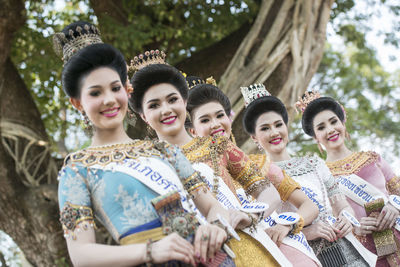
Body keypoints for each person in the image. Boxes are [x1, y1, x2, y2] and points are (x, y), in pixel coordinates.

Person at [55, 22, 234, 266]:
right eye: (95, 93)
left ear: (127, 90)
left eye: (115, 88)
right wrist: (150, 251)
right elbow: (81, 254)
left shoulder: (165, 151)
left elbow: (213, 207)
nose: (109, 100)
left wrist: (215, 226)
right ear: (77, 103)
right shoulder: (77, 169)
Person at [129, 52, 294, 267]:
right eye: (154, 105)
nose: (166, 110)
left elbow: (268, 192)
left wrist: (250, 216)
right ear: (143, 116)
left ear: (184, 102)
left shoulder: (219, 145)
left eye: (172, 100)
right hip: (193, 256)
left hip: (246, 246)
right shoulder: (148, 163)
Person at [185, 77, 320, 267]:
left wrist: (287, 225)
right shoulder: (194, 173)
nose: (215, 124)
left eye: (220, 115)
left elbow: (308, 205)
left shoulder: (260, 164)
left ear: (229, 118)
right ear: (192, 131)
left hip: (280, 248)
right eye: (205, 120)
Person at [241, 84, 373, 267]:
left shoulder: (314, 164)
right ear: (254, 137)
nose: (274, 132)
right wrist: (306, 231)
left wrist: (346, 219)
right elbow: (266, 230)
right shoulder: (256, 175)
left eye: (278, 125)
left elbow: (341, 204)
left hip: (345, 250)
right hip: (300, 256)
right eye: (265, 128)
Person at [299, 90, 400, 266]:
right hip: (362, 255)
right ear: (316, 137)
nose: (330, 130)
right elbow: (327, 222)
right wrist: (354, 228)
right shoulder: (318, 177)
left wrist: (393, 208)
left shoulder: (373, 159)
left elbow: (398, 191)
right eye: (321, 127)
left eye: (333, 122)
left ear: (343, 122)